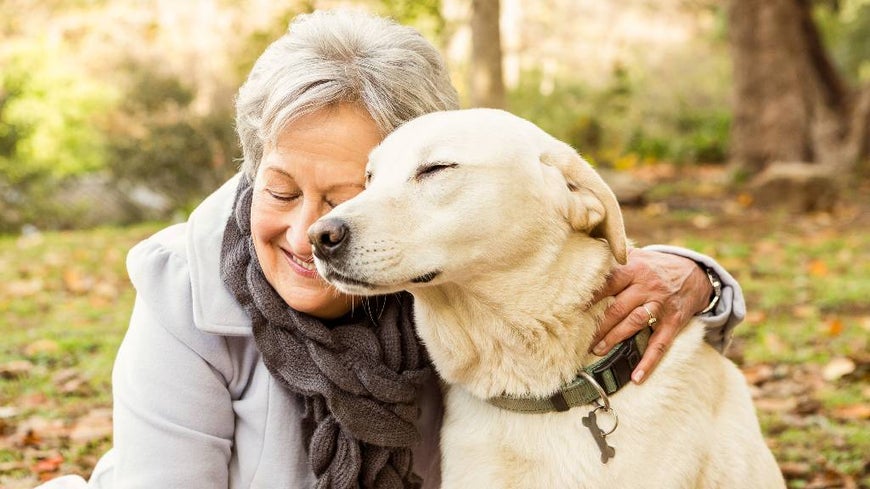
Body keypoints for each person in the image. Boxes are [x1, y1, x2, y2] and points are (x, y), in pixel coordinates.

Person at [40, 9, 745, 489]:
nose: (312, 230)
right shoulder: (184, 287)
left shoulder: (443, 278)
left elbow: (545, 252)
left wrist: (699, 277)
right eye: (280, 190)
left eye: (346, 194)